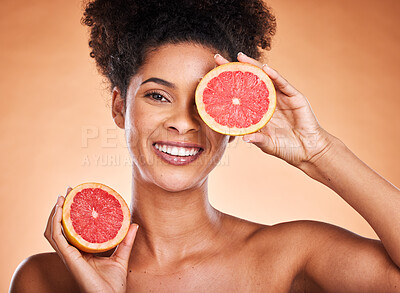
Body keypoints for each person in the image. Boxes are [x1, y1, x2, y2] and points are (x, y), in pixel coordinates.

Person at [10, 0, 400, 292]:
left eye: (202, 101)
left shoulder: (290, 256)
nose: (182, 122)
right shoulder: (46, 278)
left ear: (232, 120)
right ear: (119, 107)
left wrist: (320, 151)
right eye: (158, 96)